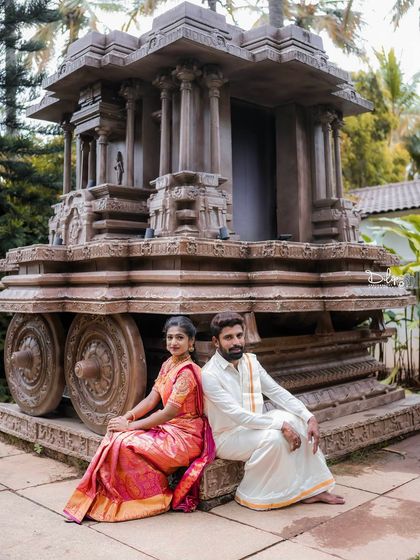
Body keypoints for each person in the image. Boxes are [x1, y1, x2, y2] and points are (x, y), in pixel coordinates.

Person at [64, 316, 215, 523]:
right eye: (170, 337)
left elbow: (168, 412)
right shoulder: (169, 364)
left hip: (185, 437)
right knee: (115, 437)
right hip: (170, 429)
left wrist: (130, 426)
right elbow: (152, 399)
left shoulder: (187, 373)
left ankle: (151, 499)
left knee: (126, 442)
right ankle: (100, 500)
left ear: (191, 342)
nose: (173, 342)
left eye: (180, 337)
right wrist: (126, 417)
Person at [202, 312, 345, 511]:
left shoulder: (250, 361)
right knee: (275, 438)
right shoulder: (209, 374)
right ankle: (256, 494)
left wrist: (308, 416)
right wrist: (281, 426)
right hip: (228, 436)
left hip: (256, 427)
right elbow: (237, 415)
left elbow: (276, 391)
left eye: (239, 335)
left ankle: (313, 490)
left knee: (297, 421)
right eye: (228, 337)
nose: (236, 342)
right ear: (215, 342)